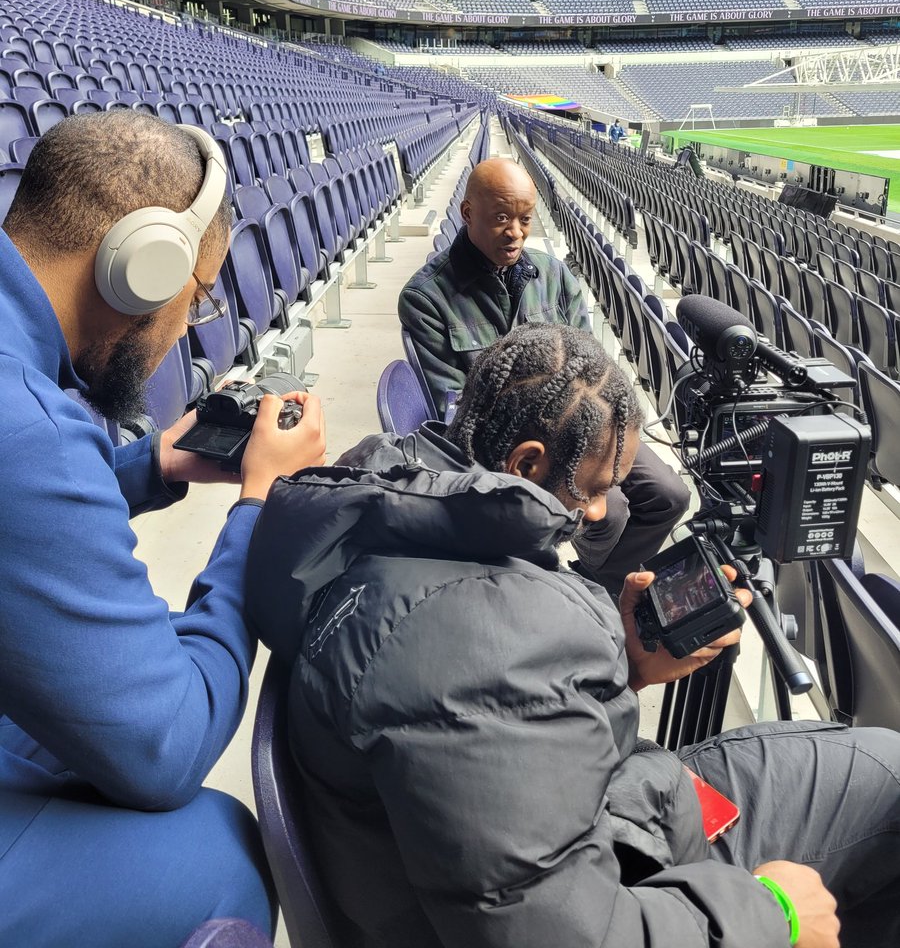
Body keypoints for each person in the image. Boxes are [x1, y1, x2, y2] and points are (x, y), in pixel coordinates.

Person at [247, 322, 899, 948]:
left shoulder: (385, 516)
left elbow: (499, 734)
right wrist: (773, 913)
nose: (595, 512)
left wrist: (626, 667)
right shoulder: (484, 653)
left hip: (599, 807)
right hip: (617, 872)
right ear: (527, 463)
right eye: (594, 487)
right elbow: (562, 931)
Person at [0, 111, 327, 948]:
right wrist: (259, 507)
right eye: (199, 292)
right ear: (143, 267)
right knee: (219, 853)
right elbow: (166, 744)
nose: (189, 324)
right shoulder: (29, 425)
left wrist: (152, 466)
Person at [398, 157, 689, 592]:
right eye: (500, 218)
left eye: (524, 219)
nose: (515, 231)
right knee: (613, 512)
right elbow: (459, 406)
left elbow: (593, 368)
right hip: (514, 451)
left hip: (585, 424)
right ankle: (579, 593)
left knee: (671, 495)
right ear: (468, 213)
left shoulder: (552, 274)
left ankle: (595, 582)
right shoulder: (427, 298)